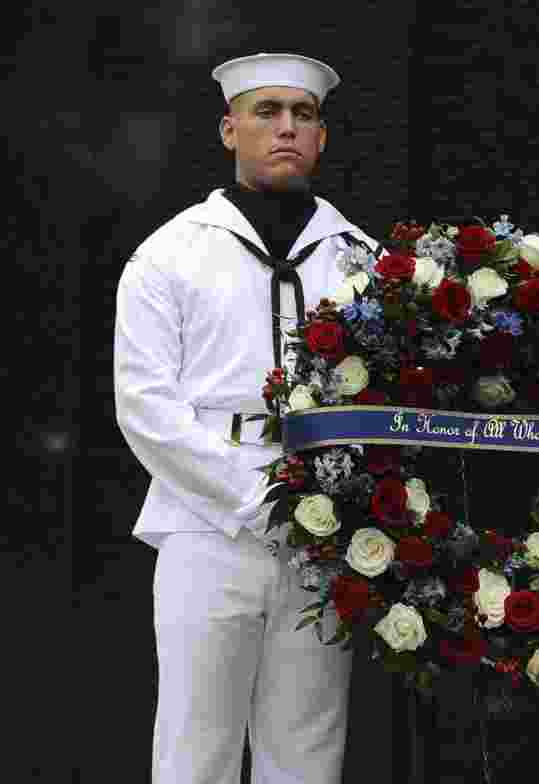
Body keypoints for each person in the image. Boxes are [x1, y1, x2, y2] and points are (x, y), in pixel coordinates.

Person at [114, 52, 384, 784]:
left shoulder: (364, 260)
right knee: (195, 744)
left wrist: (341, 500)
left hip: (329, 529)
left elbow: (391, 398)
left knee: (308, 745)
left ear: (322, 137)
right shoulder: (169, 254)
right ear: (229, 128)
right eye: (267, 112)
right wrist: (253, 498)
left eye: (304, 115)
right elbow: (144, 405)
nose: (286, 129)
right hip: (208, 521)